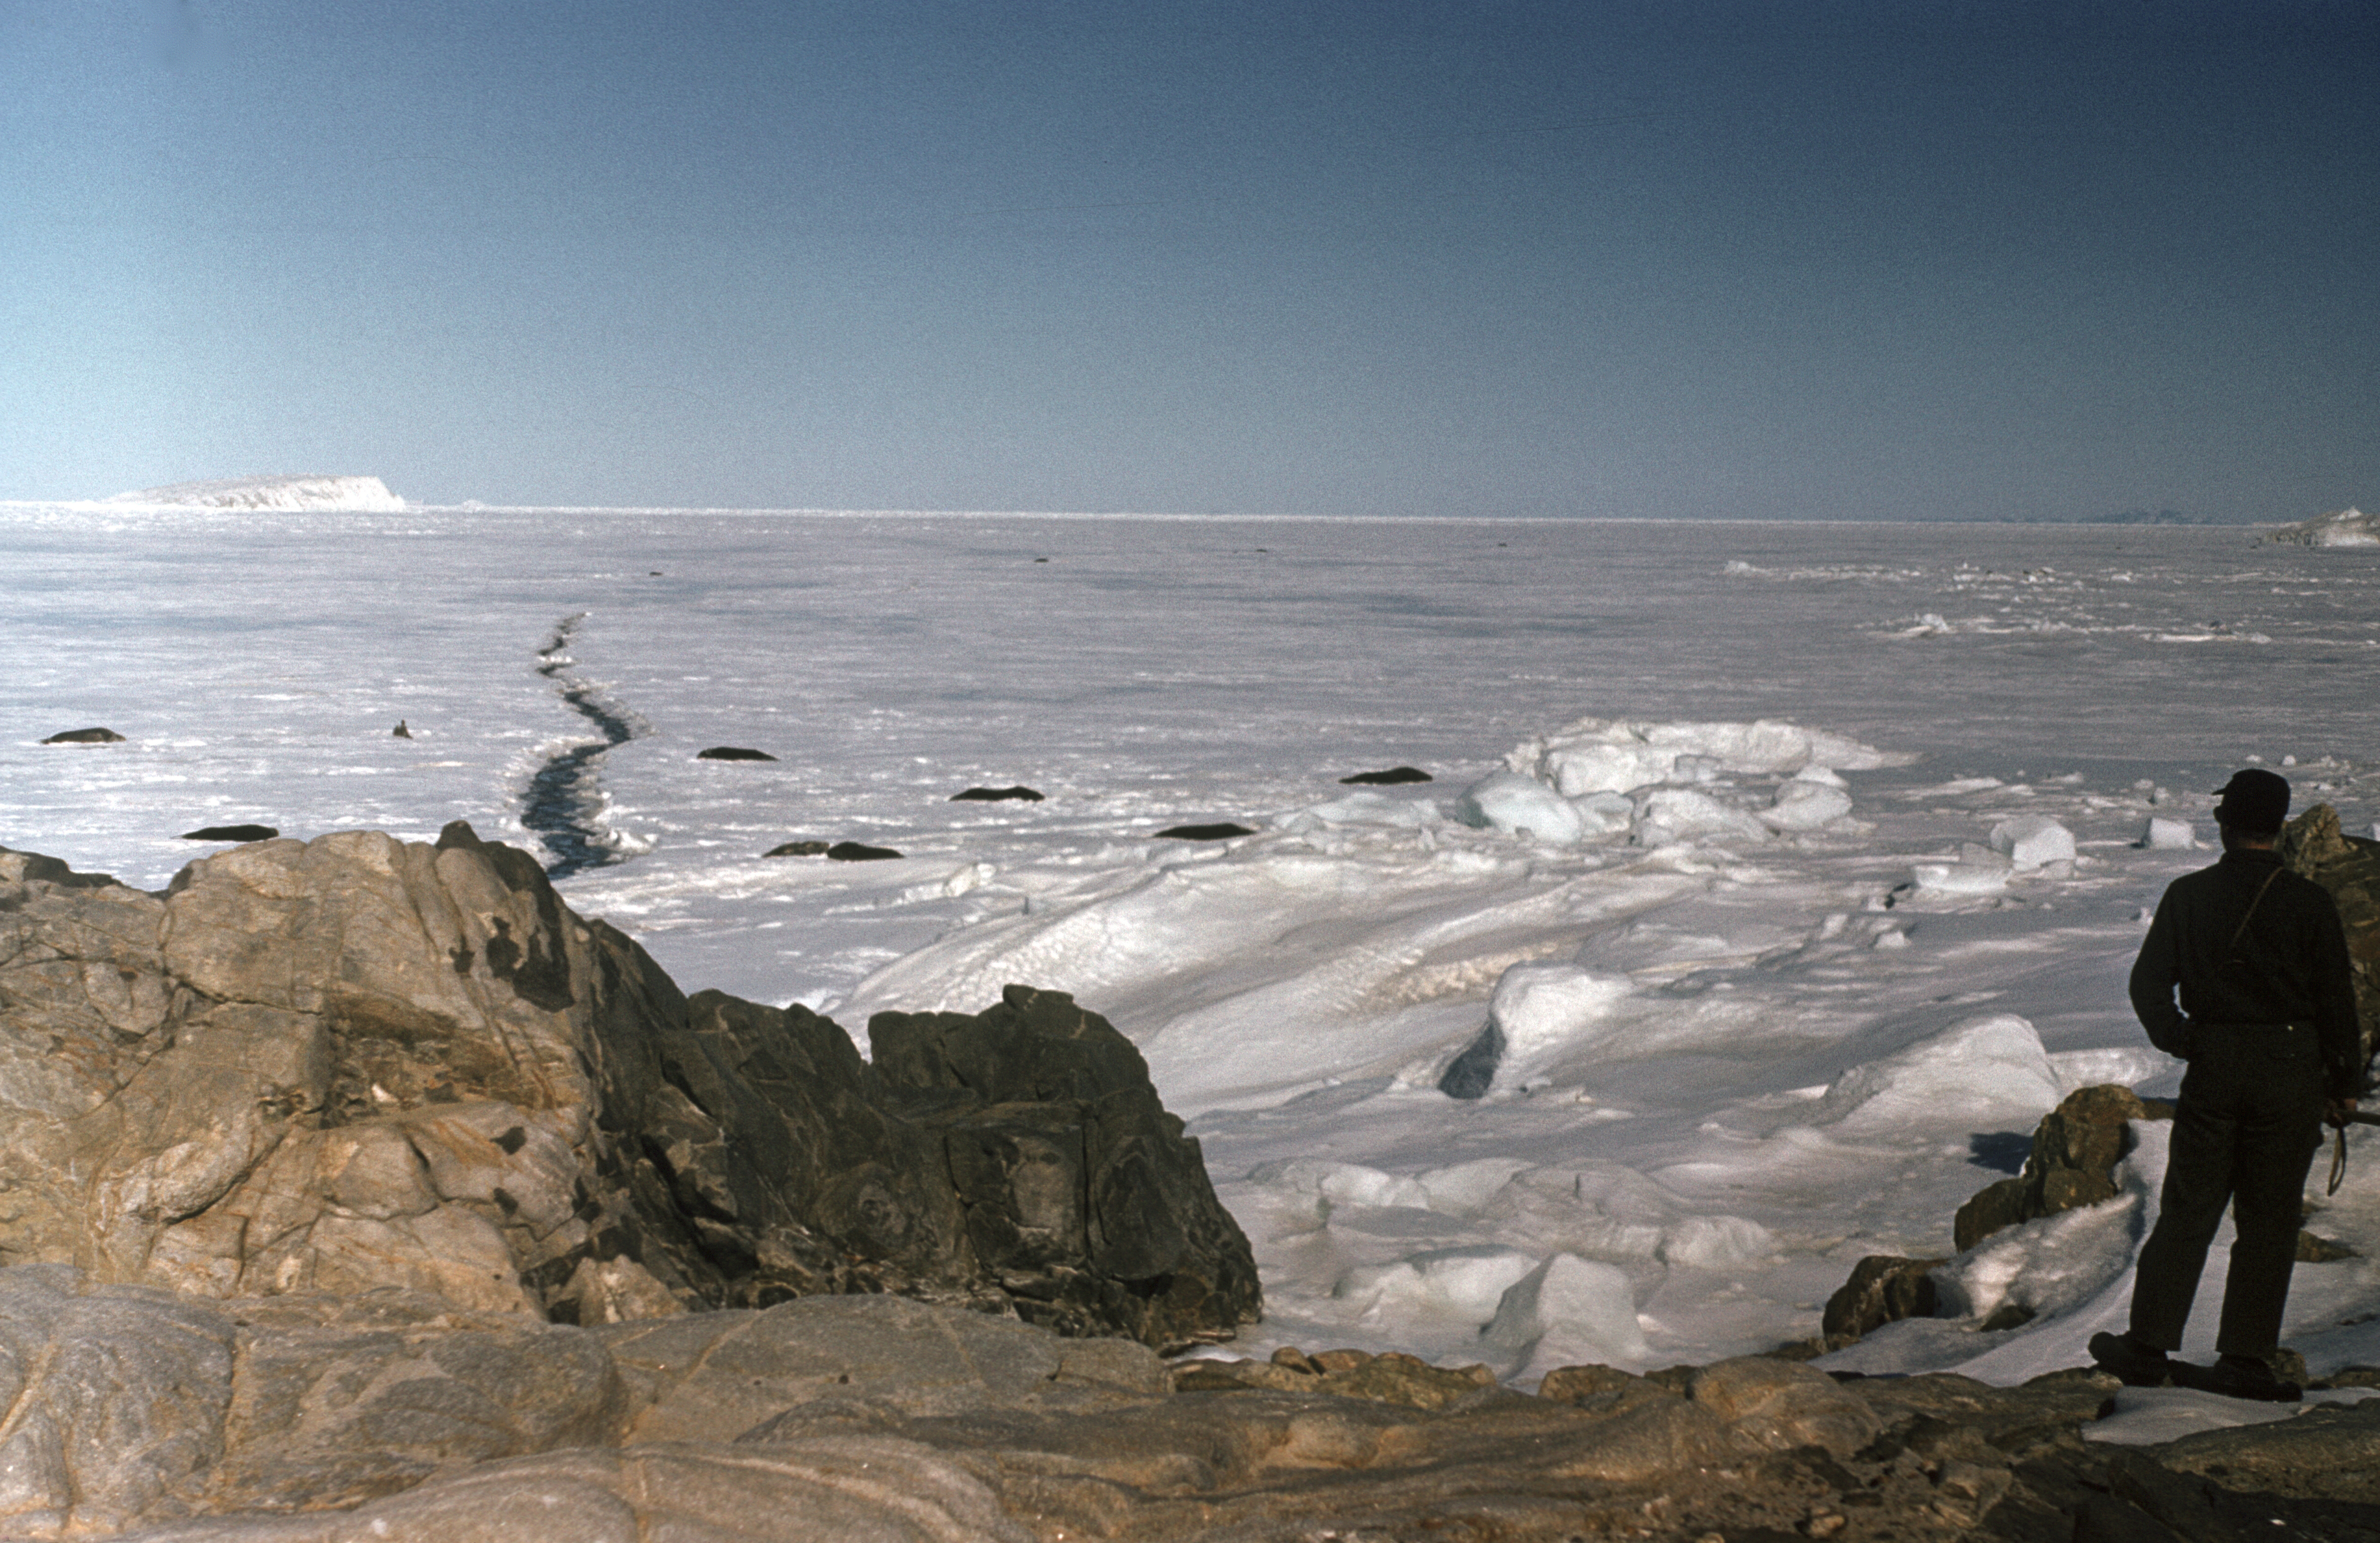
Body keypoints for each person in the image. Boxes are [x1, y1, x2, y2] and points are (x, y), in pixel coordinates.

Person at [2089, 768, 2361, 1401]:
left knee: (2189, 1210)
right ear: (2282, 826)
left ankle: (2148, 1345)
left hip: (2215, 1067)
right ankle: (2245, 1359)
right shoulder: (2311, 902)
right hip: (2291, 1070)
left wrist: (2189, 1041)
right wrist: (2343, 1083)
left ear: (2224, 823)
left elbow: (2148, 987)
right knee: (2269, 1219)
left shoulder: (2188, 896)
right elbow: (2337, 1003)